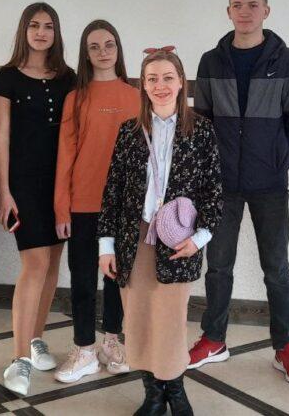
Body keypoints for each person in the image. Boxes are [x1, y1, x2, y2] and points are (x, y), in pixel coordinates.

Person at [191, 0, 289, 384]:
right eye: (238, 5)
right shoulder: (211, 61)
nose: (245, 12)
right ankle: (214, 339)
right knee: (217, 266)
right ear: (228, 11)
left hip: (269, 185)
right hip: (221, 184)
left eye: (253, 4)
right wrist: (209, 171)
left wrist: (276, 164)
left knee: (276, 268)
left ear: (266, 10)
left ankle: (284, 346)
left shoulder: (288, 61)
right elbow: (202, 123)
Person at [99, 48, 223, 416]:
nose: (160, 85)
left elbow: (214, 190)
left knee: (170, 321)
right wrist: (106, 246)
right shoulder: (129, 131)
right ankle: (153, 393)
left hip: (178, 239)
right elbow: (112, 191)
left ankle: (176, 391)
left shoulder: (201, 130)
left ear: (181, 82)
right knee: (138, 318)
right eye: (152, 78)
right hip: (134, 238)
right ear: (143, 85)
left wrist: (199, 239)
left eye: (168, 77)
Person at [0, 2, 76, 395]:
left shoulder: (68, 77)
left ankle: (37, 337)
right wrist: (4, 190)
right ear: (24, 30)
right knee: (35, 264)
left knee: (53, 261)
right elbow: (1, 138)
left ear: (56, 33)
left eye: (49, 26)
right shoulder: (6, 77)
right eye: (34, 25)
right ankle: (19, 358)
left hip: (60, 182)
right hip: (23, 183)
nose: (41, 32)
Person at [52, 20, 138, 383]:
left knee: (118, 278)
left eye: (109, 44)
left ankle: (111, 342)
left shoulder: (136, 96)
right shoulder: (76, 98)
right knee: (83, 278)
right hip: (84, 203)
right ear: (85, 55)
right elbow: (65, 156)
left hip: (123, 206)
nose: (103, 52)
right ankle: (84, 348)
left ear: (118, 49)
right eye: (94, 46)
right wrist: (62, 207)